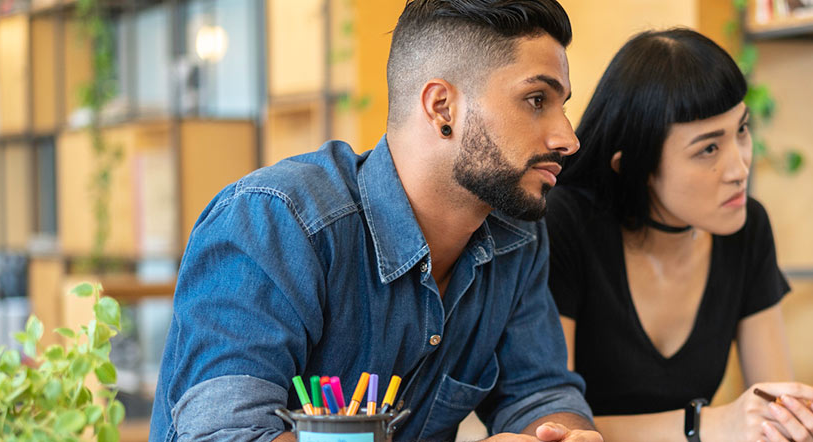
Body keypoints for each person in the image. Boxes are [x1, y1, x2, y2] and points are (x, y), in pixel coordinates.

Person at [147, 1, 602, 441]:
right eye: (536, 99)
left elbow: (538, 391)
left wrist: (562, 434)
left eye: (561, 105)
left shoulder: (517, 237)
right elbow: (228, 436)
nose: (568, 138)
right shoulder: (274, 223)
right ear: (442, 107)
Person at [546, 29, 813, 442]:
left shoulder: (746, 228)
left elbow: (774, 406)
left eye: (742, 130)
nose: (739, 168)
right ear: (632, 167)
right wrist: (707, 425)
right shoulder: (565, 224)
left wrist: (797, 430)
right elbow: (552, 425)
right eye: (708, 149)